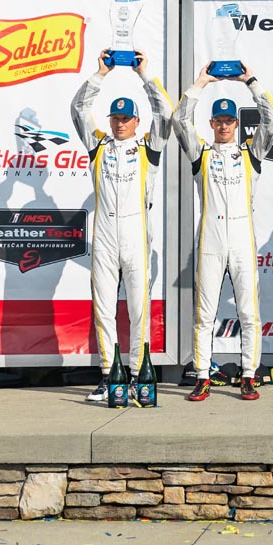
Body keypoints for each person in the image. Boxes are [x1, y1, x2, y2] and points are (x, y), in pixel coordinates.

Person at [70, 50, 173, 403]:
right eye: (115, 118)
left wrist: (145, 75)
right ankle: (107, 376)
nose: (119, 124)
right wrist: (100, 74)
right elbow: (78, 109)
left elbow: (166, 113)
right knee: (103, 308)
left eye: (126, 118)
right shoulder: (98, 144)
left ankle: (137, 375)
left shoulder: (148, 148)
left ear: (136, 121)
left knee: (138, 309)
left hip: (136, 237)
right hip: (104, 235)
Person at [173, 65, 273, 402]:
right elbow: (179, 121)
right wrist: (201, 83)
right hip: (211, 242)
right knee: (204, 315)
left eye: (229, 121)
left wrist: (250, 81)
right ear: (211, 124)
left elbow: (272, 119)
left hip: (242, 242)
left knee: (248, 313)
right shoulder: (201, 154)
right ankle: (203, 376)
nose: (223, 126)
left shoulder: (251, 153)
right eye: (218, 121)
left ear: (236, 124)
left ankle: (248, 375)